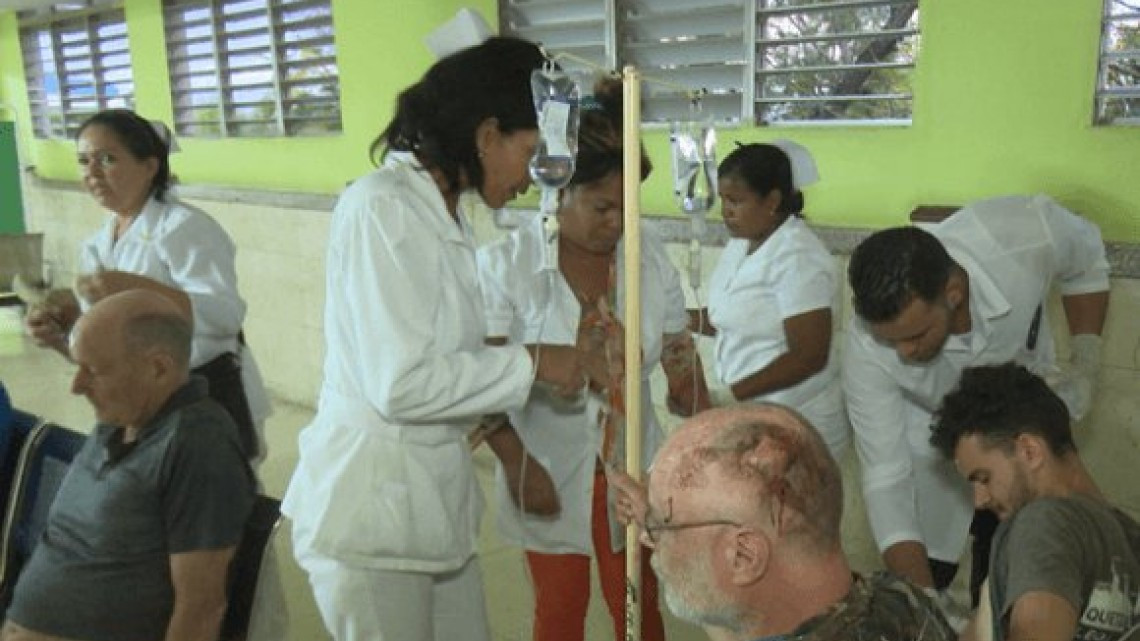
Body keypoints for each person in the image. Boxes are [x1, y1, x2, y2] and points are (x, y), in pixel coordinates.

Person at [279, 36, 588, 641]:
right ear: (487, 134)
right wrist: (536, 362)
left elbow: (450, 363)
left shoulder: (443, 214)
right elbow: (402, 385)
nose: (537, 177)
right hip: (371, 521)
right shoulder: (383, 209)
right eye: (532, 150)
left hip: (429, 512)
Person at [476, 77, 711, 641]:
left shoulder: (646, 256)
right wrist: (514, 463)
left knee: (640, 603)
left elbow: (681, 361)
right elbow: (479, 380)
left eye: (629, 208)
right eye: (604, 207)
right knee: (559, 609)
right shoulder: (506, 267)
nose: (619, 224)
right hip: (549, 469)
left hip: (636, 467)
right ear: (560, 191)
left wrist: (710, 439)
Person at [843, 194, 1110, 598]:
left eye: (915, 336)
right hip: (926, 441)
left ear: (953, 291)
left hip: (1016, 431)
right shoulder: (864, 347)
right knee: (928, 572)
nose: (905, 353)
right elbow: (884, 477)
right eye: (890, 342)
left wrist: (1087, 361)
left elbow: (1087, 262)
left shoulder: (1024, 235)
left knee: (1024, 567)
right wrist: (924, 604)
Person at [1, 289, 255, 641]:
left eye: (92, 371)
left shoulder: (196, 444)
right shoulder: (120, 420)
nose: (76, 386)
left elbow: (202, 608)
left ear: (158, 368)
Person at [21, 108, 270, 461]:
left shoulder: (185, 229)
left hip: (203, 397)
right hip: (135, 406)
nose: (91, 173)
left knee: (210, 503)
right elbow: (109, 347)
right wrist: (62, 335)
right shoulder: (96, 244)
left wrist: (136, 290)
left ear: (150, 166)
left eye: (107, 159)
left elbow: (224, 315)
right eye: (83, 161)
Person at [609, 404, 955, 640]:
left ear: (744, 556)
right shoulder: (901, 600)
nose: (645, 538)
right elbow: (740, 611)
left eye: (661, 527)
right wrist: (660, 521)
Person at [930, 363, 1140, 641]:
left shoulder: (1043, 523)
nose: (980, 500)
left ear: (1029, 451)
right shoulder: (1126, 535)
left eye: (984, 478)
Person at [688, 141, 848, 457]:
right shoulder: (742, 243)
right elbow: (730, 318)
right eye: (723, 200)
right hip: (749, 413)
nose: (726, 212)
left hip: (795, 419)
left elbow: (809, 355)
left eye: (736, 201)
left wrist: (730, 396)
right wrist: (673, 319)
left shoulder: (798, 256)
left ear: (772, 200)